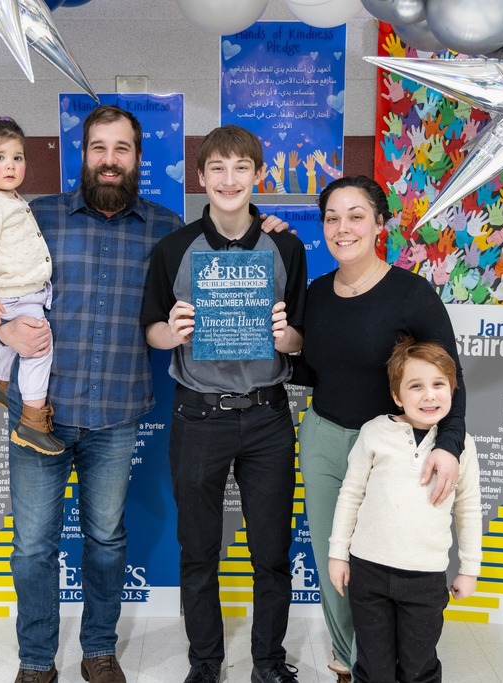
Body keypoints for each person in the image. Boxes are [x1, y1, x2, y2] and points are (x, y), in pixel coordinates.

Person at [0, 107, 288, 683]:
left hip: (118, 414)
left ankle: (98, 649)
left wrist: (268, 227)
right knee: (32, 548)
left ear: (138, 158)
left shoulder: (167, 228)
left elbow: (227, 241)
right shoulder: (33, 218)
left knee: (105, 540)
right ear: (84, 155)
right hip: (38, 414)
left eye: (123, 149)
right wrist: (0, 329)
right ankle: (37, 660)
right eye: (100, 148)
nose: (110, 160)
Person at [140, 124, 307, 683]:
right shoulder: (173, 249)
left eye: (242, 168)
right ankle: (205, 663)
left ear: (259, 175)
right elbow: (150, 332)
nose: (229, 179)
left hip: (266, 415)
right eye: (218, 168)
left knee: (271, 552)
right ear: (201, 177)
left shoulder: (285, 245)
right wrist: (173, 329)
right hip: (198, 415)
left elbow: (301, 338)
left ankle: (268, 662)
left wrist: (287, 337)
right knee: (198, 550)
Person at [294, 176, 466, 682]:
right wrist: (286, 347)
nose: (342, 227)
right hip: (325, 438)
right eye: (332, 217)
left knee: (384, 559)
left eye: (355, 215)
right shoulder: (318, 293)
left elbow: (450, 375)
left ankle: (398, 659)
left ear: (378, 224)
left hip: (393, 447)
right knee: (335, 555)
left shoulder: (411, 294)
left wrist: (450, 445)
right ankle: (352, 658)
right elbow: (318, 370)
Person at [327, 338, 481, 683]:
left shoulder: (461, 446)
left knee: (419, 667)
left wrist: (469, 568)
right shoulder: (374, 433)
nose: (429, 395)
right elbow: (350, 495)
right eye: (416, 386)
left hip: (425, 579)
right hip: (369, 572)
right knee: (373, 667)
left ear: (453, 391)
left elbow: (468, 509)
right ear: (397, 396)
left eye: (439, 384)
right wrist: (338, 554)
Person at [0, 116, 64, 456]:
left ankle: (3, 386)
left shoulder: (7, 199)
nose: (10, 165)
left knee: (12, 345)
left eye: (17, 157)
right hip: (16, 292)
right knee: (37, 347)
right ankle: (32, 422)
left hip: (21, 290)